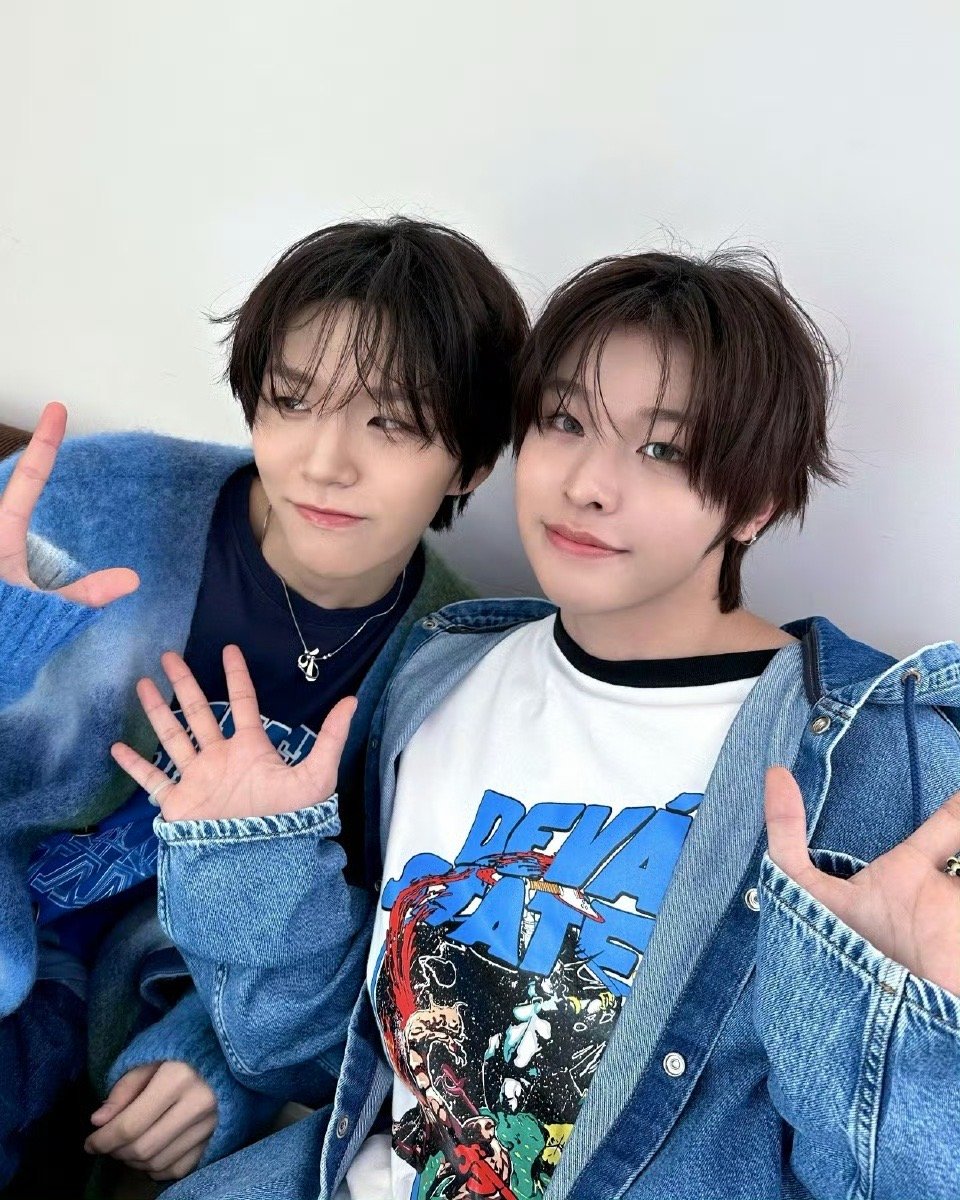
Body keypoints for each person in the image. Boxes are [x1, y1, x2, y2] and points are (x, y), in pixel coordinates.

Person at [113, 249, 960, 1200]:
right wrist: (248, 860)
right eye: (565, 421)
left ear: (756, 502)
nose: (587, 483)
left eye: (663, 449)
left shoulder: (871, 755)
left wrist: (910, 1036)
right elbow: (317, 1062)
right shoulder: (437, 676)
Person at [0, 216, 528, 1187]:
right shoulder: (97, 501)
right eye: (292, 401)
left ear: (471, 463)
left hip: (108, 1012)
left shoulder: (457, 676)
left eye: (391, 422)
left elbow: (368, 963)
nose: (325, 462)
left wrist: (216, 1062)